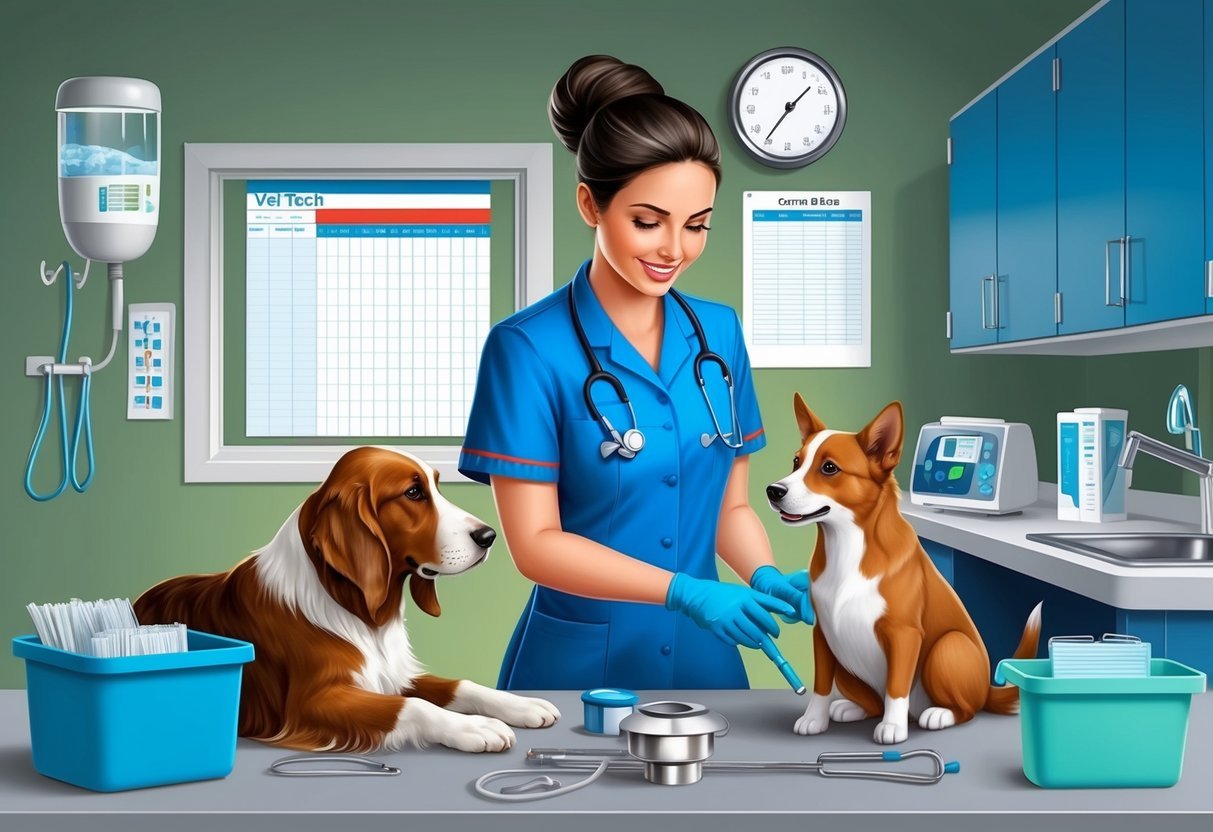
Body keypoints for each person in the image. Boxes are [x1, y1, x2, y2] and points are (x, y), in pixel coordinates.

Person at [458, 55, 811, 691]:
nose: (674, 250)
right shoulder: (525, 349)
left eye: (697, 225)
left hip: (706, 661)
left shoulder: (719, 335)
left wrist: (762, 574)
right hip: (577, 671)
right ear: (591, 204)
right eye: (648, 222)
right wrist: (686, 592)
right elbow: (535, 544)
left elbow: (727, 505)